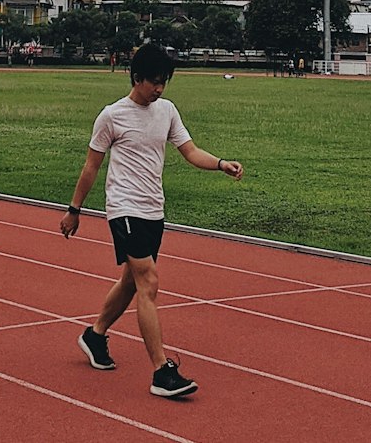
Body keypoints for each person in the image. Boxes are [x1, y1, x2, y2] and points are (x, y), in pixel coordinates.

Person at [60, 42, 243, 400]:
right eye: (153, 82)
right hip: (124, 208)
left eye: (164, 83)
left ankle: (94, 336)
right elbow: (91, 166)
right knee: (149, 281)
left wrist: (221, 163)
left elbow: (189, 151)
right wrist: (75, 209)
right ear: (136, 77)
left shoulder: (167, 111)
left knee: (131, 281)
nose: (158, 89)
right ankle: (161, 371)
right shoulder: (112, 116)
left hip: (153, 210)